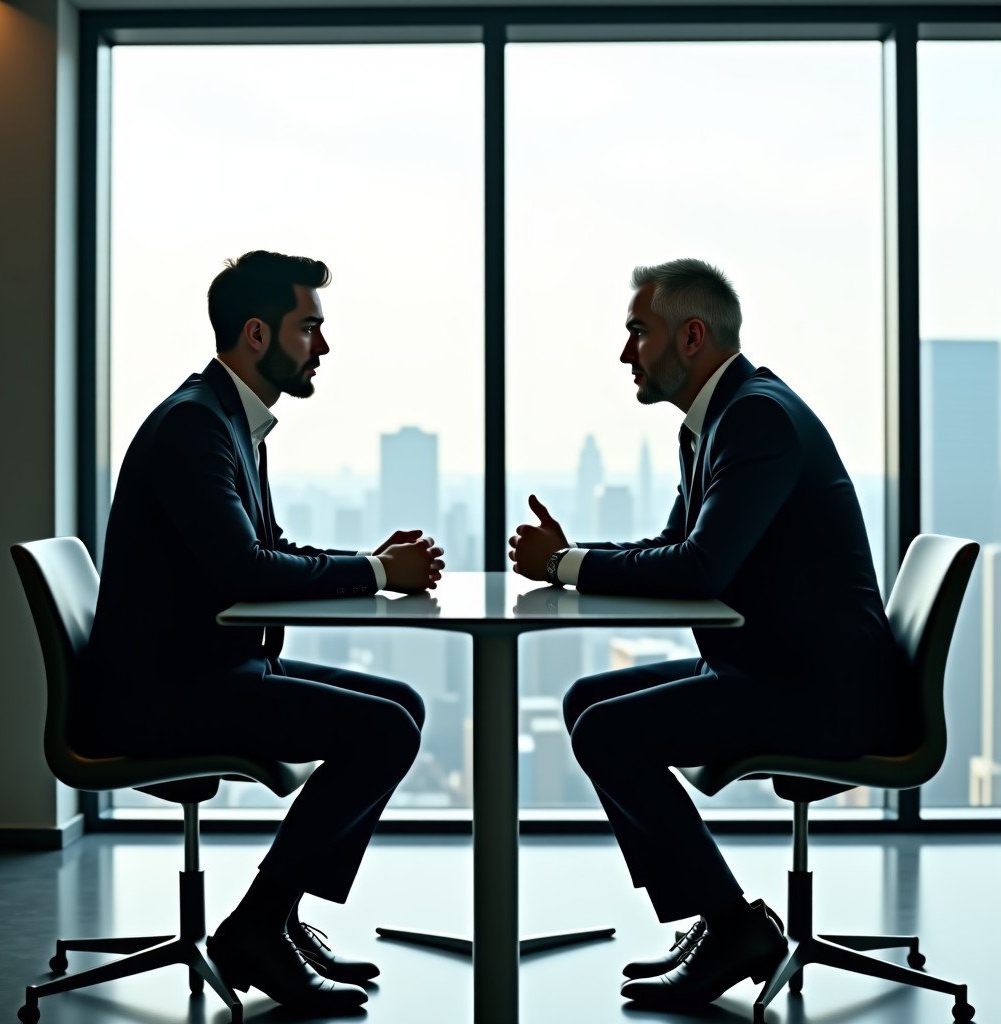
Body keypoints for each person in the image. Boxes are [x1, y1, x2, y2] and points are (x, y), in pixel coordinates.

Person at [508, 258, 905, 1011]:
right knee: (587, 704)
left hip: (820, 694)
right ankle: (718, 917)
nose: (626, 354)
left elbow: (696, 570)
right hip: (776, 669)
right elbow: (673, 548)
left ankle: (730, 926)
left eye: (638, 333)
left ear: (690, 337)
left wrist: (565, 563)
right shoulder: (718, 421)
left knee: (610, 732)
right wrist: (573, 560)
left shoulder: (754, 419)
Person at [86, 250, 445, 1013]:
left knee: (403, 708)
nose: (323, 345)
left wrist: (369, 562)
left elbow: (268, 550)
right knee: (383, 731)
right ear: (257, 334)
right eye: (309, 327)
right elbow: (247, 572)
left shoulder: (230, 421)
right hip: (166, 693)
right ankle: (258, 927)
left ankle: (276, 920)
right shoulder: (196, 428)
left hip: (207, 671)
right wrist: (379, 576)